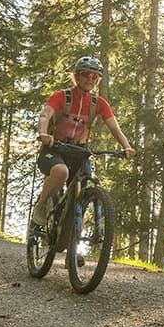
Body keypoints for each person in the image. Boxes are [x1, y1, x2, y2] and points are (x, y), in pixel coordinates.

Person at [31, 55, 135, 227]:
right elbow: (45, 115)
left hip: (79, 151)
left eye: (95, 76)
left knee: (85, 184)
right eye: (86, 74)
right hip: (55, 148)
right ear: (77, 76)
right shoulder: (62, 96)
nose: (90, 79)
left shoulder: (99, 103)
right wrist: (43, 133)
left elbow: (115, 128)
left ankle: (74, 237)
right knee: (61, 172)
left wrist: (127, 147)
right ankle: (42, 205)